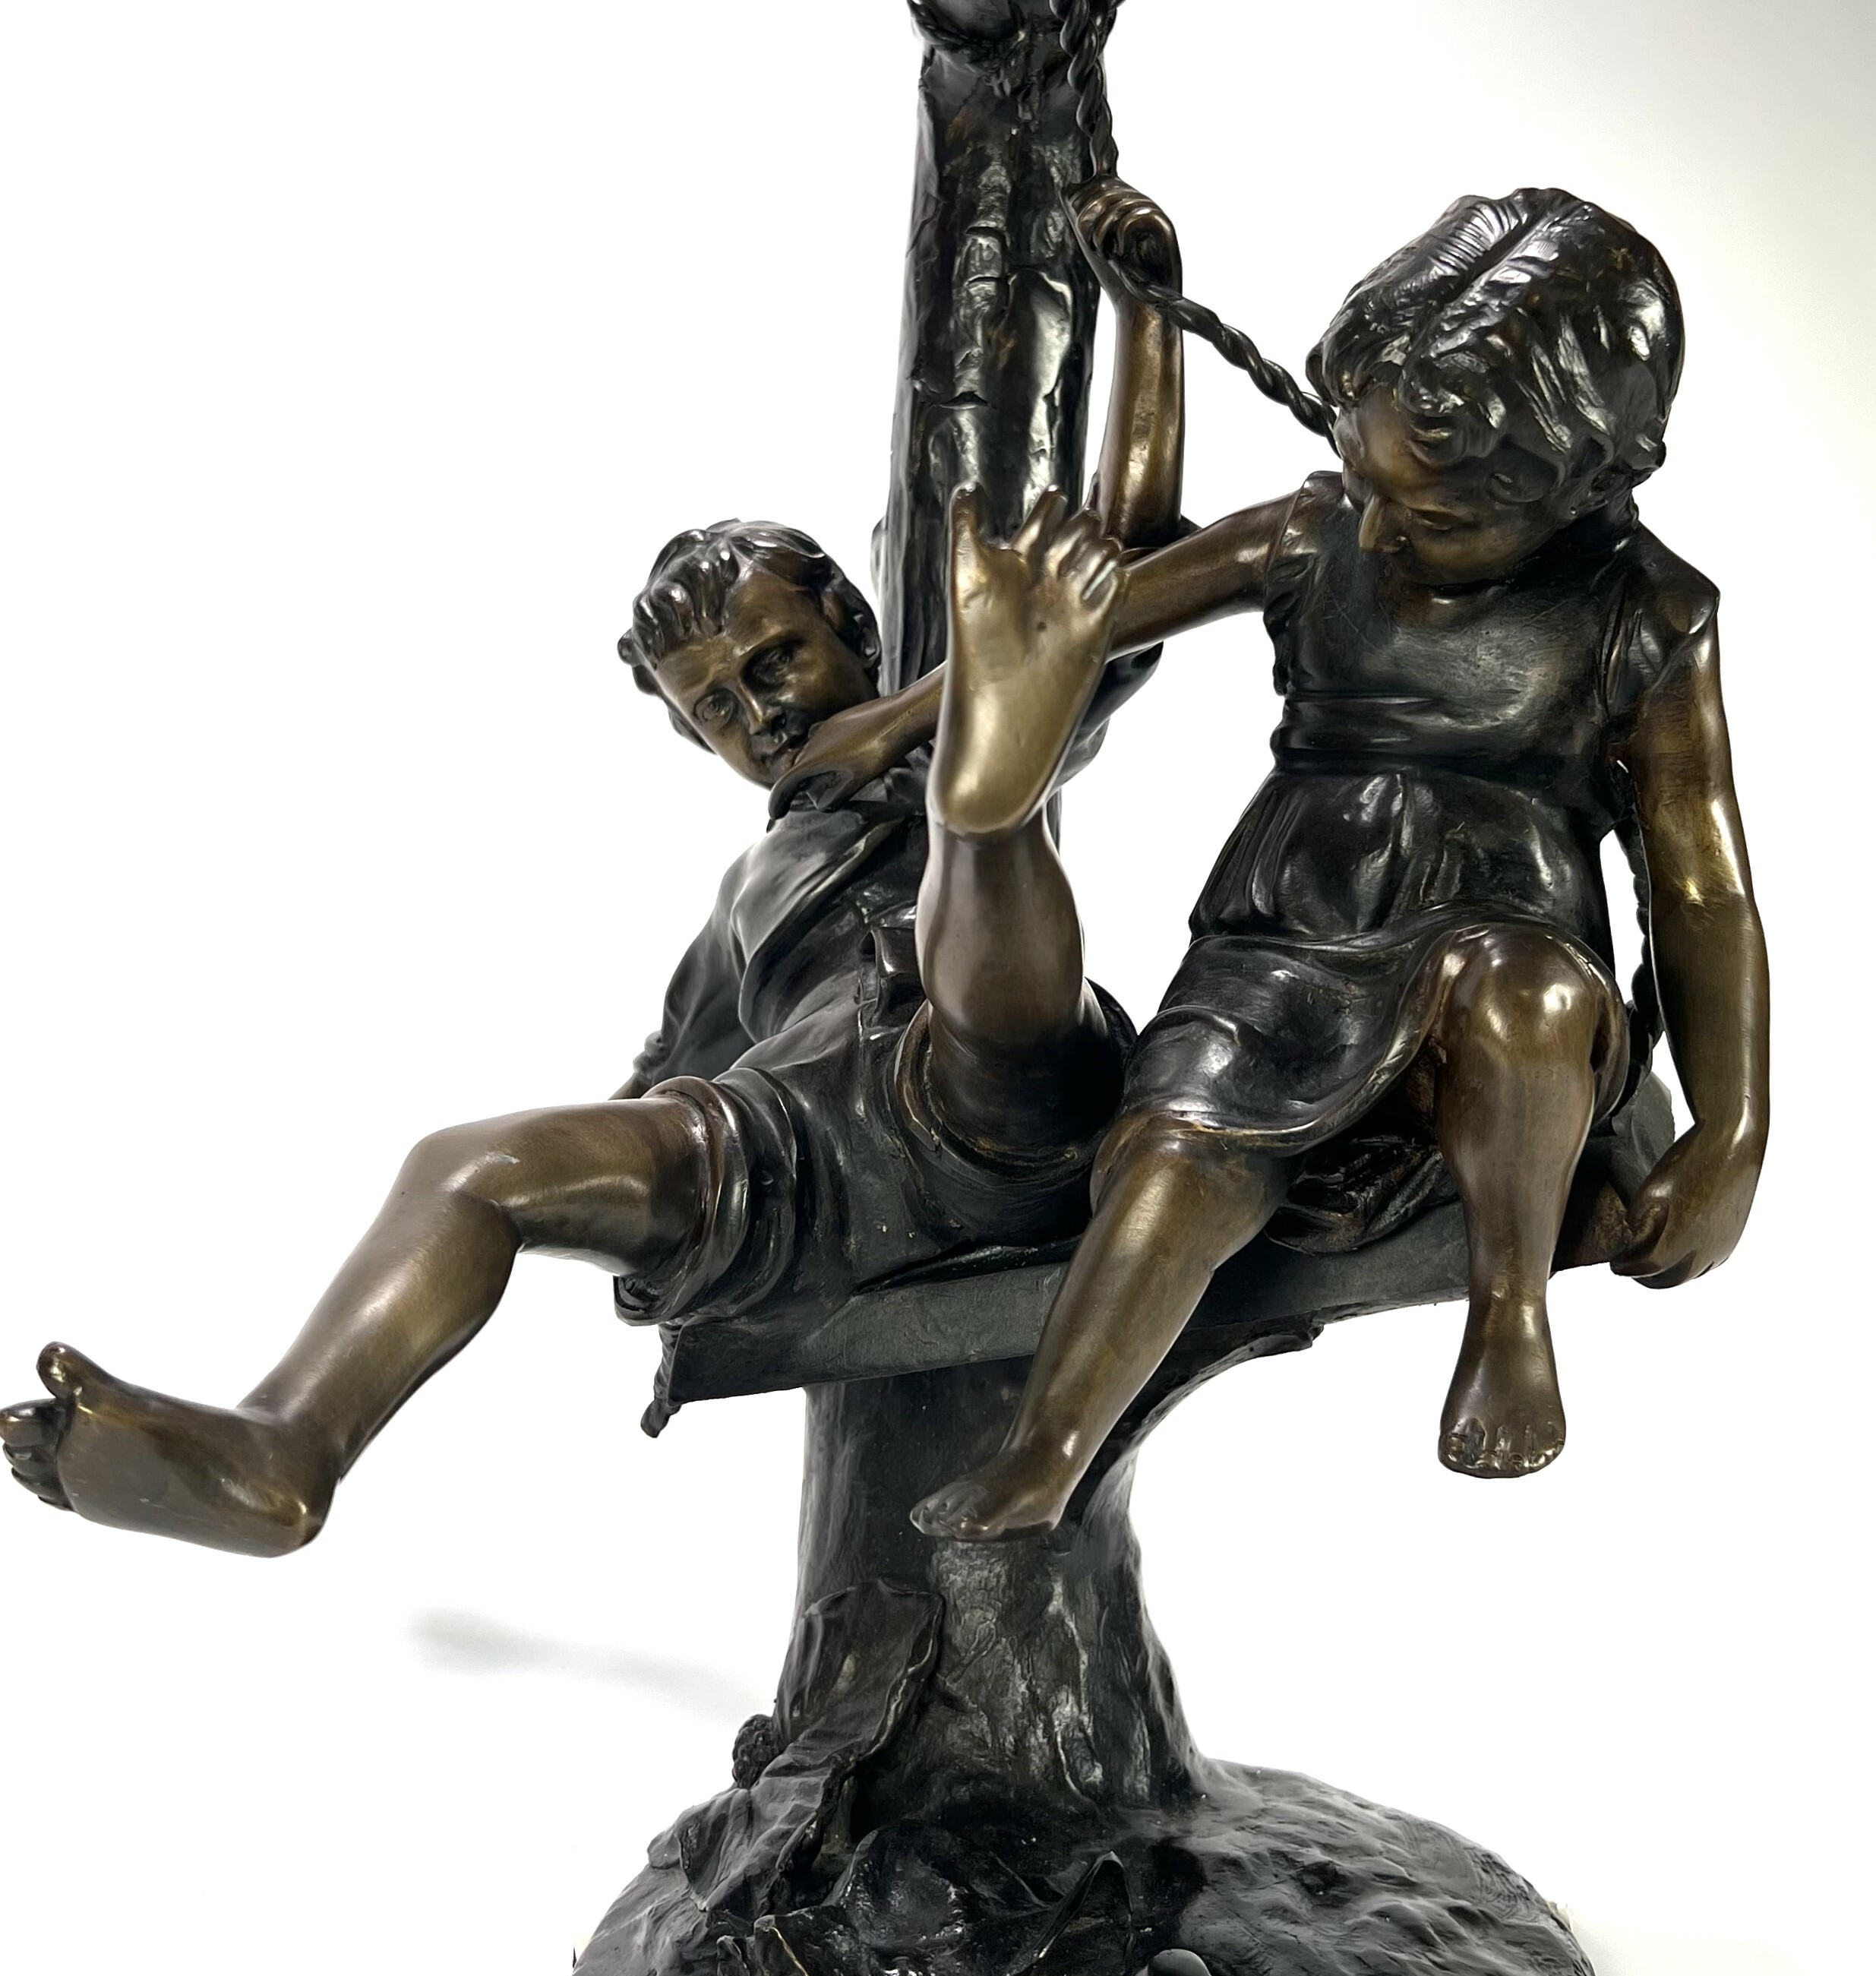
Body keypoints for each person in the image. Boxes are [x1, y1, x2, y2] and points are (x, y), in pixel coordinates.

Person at [0, 185, 1189, 1557]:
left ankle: (984, 816)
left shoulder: (951, 707)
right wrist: (597, 1180)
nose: (758, 712)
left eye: (776, 661)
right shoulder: (746, 902)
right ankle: (286, 1446)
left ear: (851, 627)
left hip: (988, 1070)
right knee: (470, 1159)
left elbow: (1130, 566)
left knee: (984, 812)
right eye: (717, 707)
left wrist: (1147, 324)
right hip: (802, 1143)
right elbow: (658, 1074)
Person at [775, 186, 1770, 1534]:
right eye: (1361, 480)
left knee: (1523, 1008)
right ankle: (1049, 1443)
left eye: (1428, 517)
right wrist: (901, 719)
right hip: (1286, 940)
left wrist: (1731, 1129)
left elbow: (1700, 884)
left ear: (1585, 484)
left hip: (1509, 937)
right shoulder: (1314, 531)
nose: (1375, 530)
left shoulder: (1645, 612)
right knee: (1178, 1143)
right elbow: (1086, 618)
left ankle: (1509, 1313)